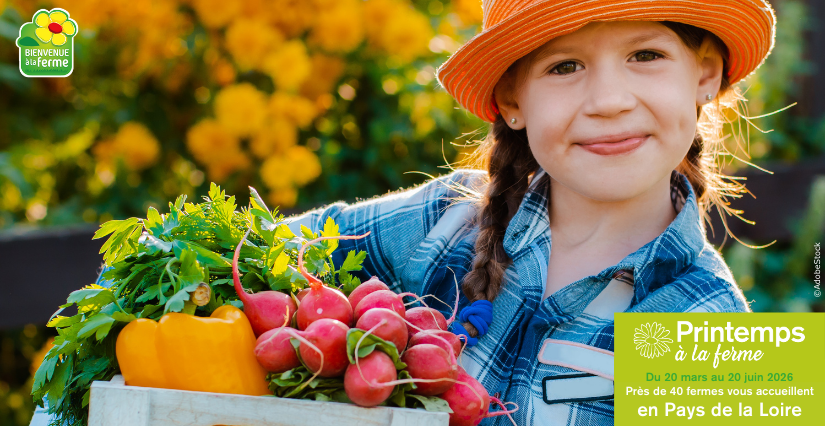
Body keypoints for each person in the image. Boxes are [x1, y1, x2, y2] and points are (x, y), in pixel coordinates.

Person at [284, 1, 776, 425]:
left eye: (645, 55)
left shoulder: (709, 330)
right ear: (512, 100)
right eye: (564, 66)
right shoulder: (444, 222)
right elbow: (264, 247)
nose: (608, 101)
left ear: (705, 76)